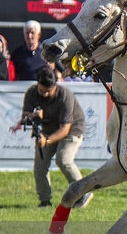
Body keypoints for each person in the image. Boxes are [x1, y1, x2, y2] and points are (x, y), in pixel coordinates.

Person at [18, 66, 89, 208]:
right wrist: (33, 117)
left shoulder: (65, 95)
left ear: (55, 86)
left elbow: (65, 128)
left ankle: (83, 194)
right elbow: (25, 116)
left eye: (47, 91)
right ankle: (45, 201)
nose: (44, 94)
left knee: (63, 160)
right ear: (37, 83)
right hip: (47, 130)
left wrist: (47, 140)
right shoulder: (32, 92)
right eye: (41, 90)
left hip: (72, 130)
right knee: (40, 166)